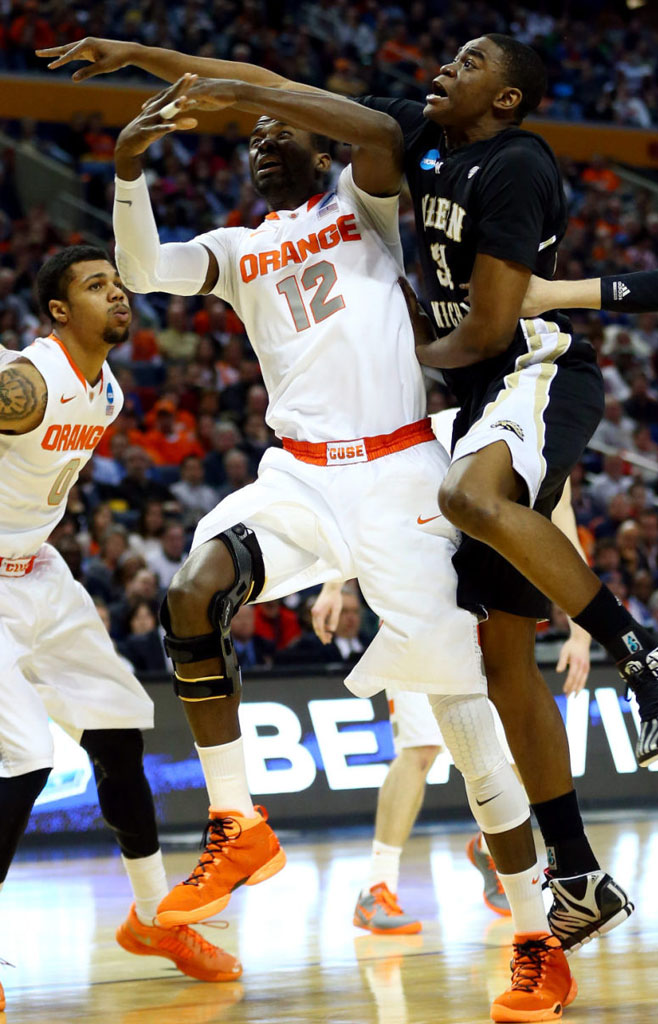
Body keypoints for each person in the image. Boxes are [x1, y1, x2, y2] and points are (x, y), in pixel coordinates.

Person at [36, 38, 637, 969]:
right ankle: (238, 821)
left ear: (328, 152)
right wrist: (127, 169)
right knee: (195, 588)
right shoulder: (239, 250)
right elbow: (147, 269)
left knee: (467, 725)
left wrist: (242, 92)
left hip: (403, 475)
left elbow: (293, 96)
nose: (265, 145)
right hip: (303, 478)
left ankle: (535, 929)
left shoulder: (371, 199)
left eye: (285, 135)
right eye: (253, 142)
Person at [0, 246, 242, 1012]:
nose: (118, 293)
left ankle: (152, 918)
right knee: (27, 751)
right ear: (59, 311)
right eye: (96, 285)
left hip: (38, 570)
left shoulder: (104, 392)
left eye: (117, 281)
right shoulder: (26, 385)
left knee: (117, 725)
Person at [313, 410, 592, 934]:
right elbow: (365, 501)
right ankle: (378, 886)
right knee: (418, 751)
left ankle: (497, 850)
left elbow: (561, 527)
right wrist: (335, 584)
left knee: (508, 757)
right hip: (421, 607)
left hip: (494, 615)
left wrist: (580, 630)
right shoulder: (437, 425)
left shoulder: (540, 425)